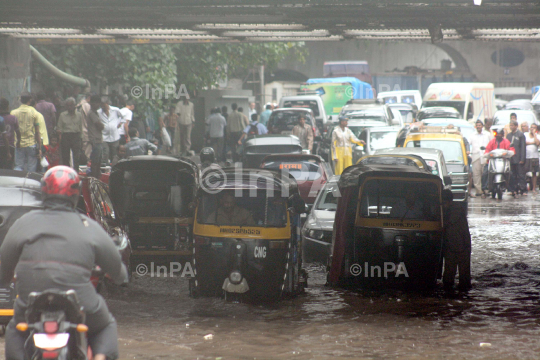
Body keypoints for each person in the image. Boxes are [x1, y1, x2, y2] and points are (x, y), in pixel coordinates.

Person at [0, 166, 127, 360]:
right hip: (81, 301)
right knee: (105, 325)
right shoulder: (88, 226)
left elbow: (3, 268)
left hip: (30, 302)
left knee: (15, 329)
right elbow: (116, 267)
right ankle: (101, 357)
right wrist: (120, 276)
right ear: (75, 194)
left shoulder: (23, 223)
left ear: (44, 191)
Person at [442, 189, 471, 290]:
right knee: (457, 278)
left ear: (448, 201)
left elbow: (446, 224)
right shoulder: (455, 209)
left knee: (454, 278)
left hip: (459, 247)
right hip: (458, 246)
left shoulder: (455, 211)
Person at [11, 93, 42, 172]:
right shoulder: (34, 113)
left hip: (18, 143)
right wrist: (40, 147)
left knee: (18, 166)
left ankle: (17, 182)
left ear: (20, 100)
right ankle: (29, 183)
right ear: (30, 100)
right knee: (31, 167)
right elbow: (37, 132)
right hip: (31, 144)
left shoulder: (13, 113)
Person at [482, 128, 515, 197]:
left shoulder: (506, 141)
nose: (499, 135)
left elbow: (511, 149)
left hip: (503, 161)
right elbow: (487, 150)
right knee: (485, 173)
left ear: (503, 135)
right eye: (498, 134)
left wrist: (510, 152)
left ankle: (512, 190)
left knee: (510, 174)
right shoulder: (492, 142)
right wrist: (487, 154)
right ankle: (484, 189)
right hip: (492, 161)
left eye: (500, 134)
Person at [56, 97, 83, 172]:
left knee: (76, 156)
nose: (69, 107)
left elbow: (81, 127)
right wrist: (59, 133)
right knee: (65, 156)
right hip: (66, 136)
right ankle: (67, 172)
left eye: (71, 105)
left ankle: (76, 172)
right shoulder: (62, 115)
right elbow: (59, 127)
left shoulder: (79, 115)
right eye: (68, 105)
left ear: (75, 105)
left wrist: (81, 139)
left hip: (76, 136)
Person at [467, 120, 492, 197]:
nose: (478, 127)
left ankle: (486, 190)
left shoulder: (487, 134)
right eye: (477, 125)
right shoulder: (472, 135)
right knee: (476, 174)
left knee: (485, 174)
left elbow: (491, 144)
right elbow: (467, 144)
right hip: (476, 156)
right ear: (475, 126)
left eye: (480, 125)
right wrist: (468, 151)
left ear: (482, 126)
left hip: (485, 156)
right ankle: (479, 191)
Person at [98, 97, 125, 164]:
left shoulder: (115, 110)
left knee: (114, 154)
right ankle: (104, 168)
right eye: (101, 105)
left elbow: (123, 117)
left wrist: (120, 123)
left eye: (103, 105)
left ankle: (114, 167)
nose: (102, 107)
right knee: (105, 153)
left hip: (114, 136)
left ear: (107, 104)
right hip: (104, 137)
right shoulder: (99, 112)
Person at [506, 117, 527, 197]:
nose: (511, 127)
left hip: (518, 158)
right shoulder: (509, 135)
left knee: (521, 175)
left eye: (512, 125)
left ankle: (523, 189)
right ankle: (513, 189)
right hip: (511, 159)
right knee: (512, 175)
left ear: (516, 126)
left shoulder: (520, 135)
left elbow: (523, 147)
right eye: (510, 125)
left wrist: (522, 159)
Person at [87, 95, 105, 178]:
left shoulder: (96, 113)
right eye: (96, 103)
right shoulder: (92, 113)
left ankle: (97, 178)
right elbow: (100, 126)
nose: (98, 105)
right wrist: (102, 125)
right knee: (95, 162)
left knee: (98, 162)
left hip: (98, 140)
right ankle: (94, 179)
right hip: (95, 140)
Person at [0, 98, 20, 170]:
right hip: (9, 146)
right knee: (8, 169)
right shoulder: (13, 118)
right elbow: (18, 132)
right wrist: (18, 141)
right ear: (8, 107)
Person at [523, 122, 540, 195]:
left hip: (534, 157)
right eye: (531, 127)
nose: (532, 129)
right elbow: (524, 143)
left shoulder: (538, 136)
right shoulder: (525, 135)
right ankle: (524, 188)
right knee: (524, 172)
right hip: (526, 156)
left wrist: (534, 135)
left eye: (534, 128)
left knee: (534, 173)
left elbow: (537, 143)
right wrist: (531, 142)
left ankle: (533, 188)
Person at [78, 93, 93, 161]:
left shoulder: (79, 105)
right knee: (86, 151)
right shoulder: (86, 106)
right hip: (86, 131)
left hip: (80, 130)